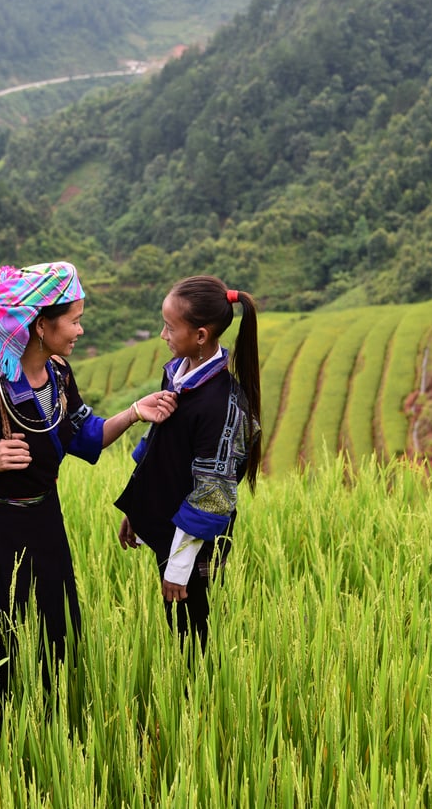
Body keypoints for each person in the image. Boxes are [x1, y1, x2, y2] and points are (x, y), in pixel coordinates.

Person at [0, 261, 176, 686]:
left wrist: (136, 412)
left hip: (42, 524)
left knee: (54, 639)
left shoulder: (59, 376)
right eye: (75, 321)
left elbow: (85, 435)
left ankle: (44, 731)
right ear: (42, 326)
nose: (81, 331)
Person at [114, 275, 262, 652]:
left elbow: (212, 493)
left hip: (198, 542)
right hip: (169, 525)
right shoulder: (176, 373)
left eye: (169, 327)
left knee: (193, 635)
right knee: (177, 624)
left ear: (200, 335)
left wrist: (178, 567)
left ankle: (199, 703)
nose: (163, 335)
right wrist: (137, 507)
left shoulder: (222, 404)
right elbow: (159, 448)